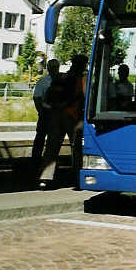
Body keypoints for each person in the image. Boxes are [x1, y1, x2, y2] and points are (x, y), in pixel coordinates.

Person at [38, 54, 87, 189]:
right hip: (72, 117)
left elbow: (48, 96)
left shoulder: (61, 77)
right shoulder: (81, 78)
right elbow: (84, 95)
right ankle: (78, 178)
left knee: (51, 148)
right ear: (82, 65)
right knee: (76, 149)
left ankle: (45, 178)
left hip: (56, 115)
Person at [31, 58, 60, 168]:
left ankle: (45, 161)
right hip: (46, 114)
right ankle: (36, 160)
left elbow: (37, 98)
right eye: (52, 67)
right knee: (41, 138)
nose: (54, 69)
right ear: (48, 68)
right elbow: (37, 98)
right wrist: (41, 112)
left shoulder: (45, 81)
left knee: (49, 140)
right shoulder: (43, 81)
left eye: (55, 67)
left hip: (53, 114)